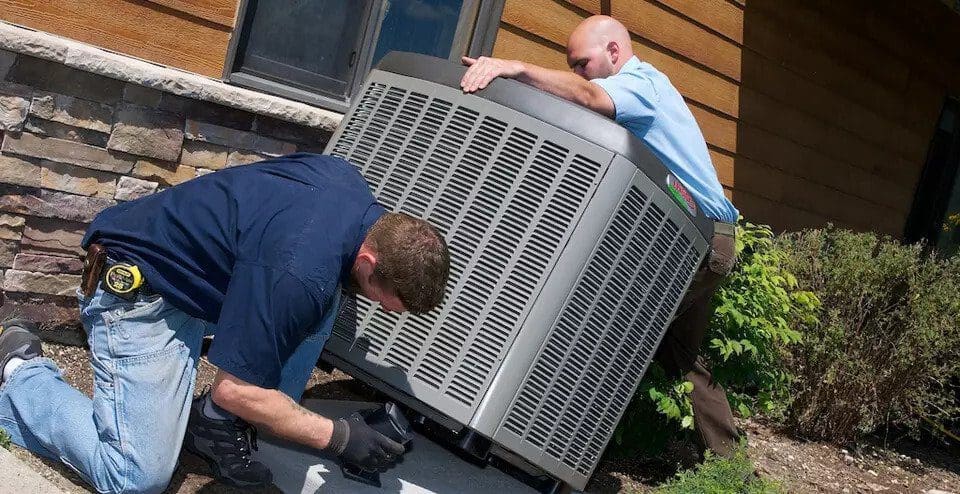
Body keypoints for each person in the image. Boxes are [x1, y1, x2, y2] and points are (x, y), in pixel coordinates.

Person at [0, 153, 451, 493]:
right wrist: (338, 438)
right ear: (372, 259)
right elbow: (233, 386)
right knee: (135, 476)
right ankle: (22, 373)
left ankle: (213, 423)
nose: (386, 310)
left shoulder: (348, 186)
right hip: (138, 294)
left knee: (324, 299)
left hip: (195, 283)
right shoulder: (299, 272)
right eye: (388, 300)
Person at [460, 15, 742, 457]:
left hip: (697, 243)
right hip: (708, 241)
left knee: (609, 337)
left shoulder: (640, 85)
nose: (578, 74)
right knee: (682, 359)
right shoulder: (636, 89)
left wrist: (517, 67)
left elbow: (590, 97)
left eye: (581, 63)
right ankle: (731, 468)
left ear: (614, 52)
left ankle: (553, 455)